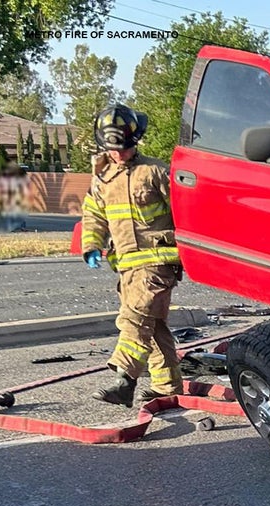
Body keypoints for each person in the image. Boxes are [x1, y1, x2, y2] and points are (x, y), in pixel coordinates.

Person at [81, 103, 184, 407]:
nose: (119, 154)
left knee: (135, 320)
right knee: (153, 327)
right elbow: (93, 216)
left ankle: (125, 381)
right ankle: (168, 386)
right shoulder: (103, 179)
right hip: (126, 267)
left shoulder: (155, 172)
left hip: (158, 263)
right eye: (114, 149)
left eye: (125, 148)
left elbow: (183, 212)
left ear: (135, 142)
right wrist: (91, 244)